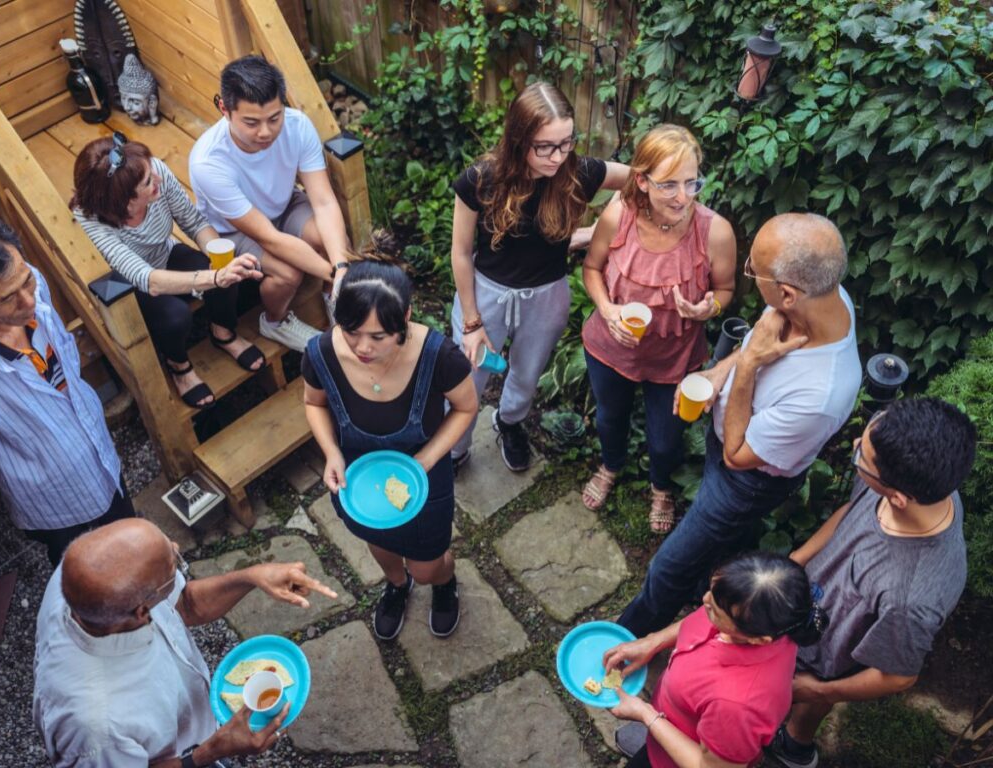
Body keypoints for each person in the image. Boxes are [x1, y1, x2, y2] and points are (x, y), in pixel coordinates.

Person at [617, 212, 861, 637]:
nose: (749, 276)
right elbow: (757, 345)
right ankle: (707, 580)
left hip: (743, 482)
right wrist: (722, 372)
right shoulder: (824, 298)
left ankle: (630, 636)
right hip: (736, 451)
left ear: (787, 293)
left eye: (754, 270)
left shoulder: (821, 396)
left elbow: (736, 455)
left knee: (669, 566)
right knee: (717, 547)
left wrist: (745, 366)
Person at [765, 398, 976, 768]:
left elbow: (897, 677)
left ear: (898, 497)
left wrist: (818, 689)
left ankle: (794, 749)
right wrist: (796, 562)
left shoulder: (909, 600)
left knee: (807, 697)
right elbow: (852, 513)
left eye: (862, 456)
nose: (855, 448)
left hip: (831, 650)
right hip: (814, 607)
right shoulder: (928, 487)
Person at [33, 518, 338, 766]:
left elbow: (186, 605)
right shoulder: (96, 727)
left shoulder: (85, 570)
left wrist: (253, 577)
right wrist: (211, 752)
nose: (177, 546)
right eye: (173, 562)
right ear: (141, 610)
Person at [449, 81, 630, 472]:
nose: (557, 156)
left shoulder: (578, 172)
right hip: (485, 294)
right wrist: (470, 321)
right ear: (519, 138)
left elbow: (637, 180)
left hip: (547, 296)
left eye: (566, 143)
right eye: (544, 146)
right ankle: (454, 447)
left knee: (528, 375)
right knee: (468, 379)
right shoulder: (481, 180)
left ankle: (510, 422)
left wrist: (604, 230)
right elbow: (461, 253)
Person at [303, 261, 476, 640]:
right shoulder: (320, 352)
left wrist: (426, 460)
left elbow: (466, 407)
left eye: (379, 336)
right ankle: (397, 586)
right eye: (352, 331)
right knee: (380, 543)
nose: (363, 347)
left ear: (406, 317)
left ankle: (443, 581)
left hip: (425, 475)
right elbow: (314, 404)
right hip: (361, 478)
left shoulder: (440, 355)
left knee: (426, 567)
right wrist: (331, 452)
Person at [580, 124, 736, 533]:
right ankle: (611, 465)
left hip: (675, 358)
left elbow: (726, 289)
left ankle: (661, 487)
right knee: (609, 419)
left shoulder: (715, 231)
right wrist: (608, 309)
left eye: (692, 182)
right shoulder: (618, 215)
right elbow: (592, 269)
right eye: (669, 185)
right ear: (642, 181)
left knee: (666, 440)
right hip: (609, 349)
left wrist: (709, 307)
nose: (683, 197)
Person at [0, 216, 135, 565]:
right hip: (52, 495)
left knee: (132, 539)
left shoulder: (31, 284)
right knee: (84, 575)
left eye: (27, 280)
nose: (29, 302)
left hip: (99, 451)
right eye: (7, 299)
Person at [73, 135, 264, 409]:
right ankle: (179, 365)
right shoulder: (91, 220)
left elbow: (193, 221)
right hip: (130, 283)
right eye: (148, 183)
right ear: (124, 201)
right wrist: (213, 278)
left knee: (224, 269)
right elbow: (146, 279)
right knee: (175, 317)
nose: (158, 179)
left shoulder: (156, 171)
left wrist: (221, 260)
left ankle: (223, 332)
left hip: (165, 253)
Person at [189, 55, 352, 352]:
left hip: (284, 203)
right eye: (251, 122)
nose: (266, 132)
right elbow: (268, 237)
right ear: (224, 109)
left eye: (274, 118)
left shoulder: (298, 126)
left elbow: (324, 201)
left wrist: (342, 266)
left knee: (331, 240)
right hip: (234, 230)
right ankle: (275, 321)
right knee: (289, 273)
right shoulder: (207, 161)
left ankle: (336, 301)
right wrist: (339, 274)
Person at [606, 551, 828, 768]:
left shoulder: (737, 707)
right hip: (681, 721)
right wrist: (652, 642)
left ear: (759, 640)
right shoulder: (756, 614)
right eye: (711, 592)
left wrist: (647, 715)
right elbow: (701, 619)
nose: (704, 601)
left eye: (715, 611)